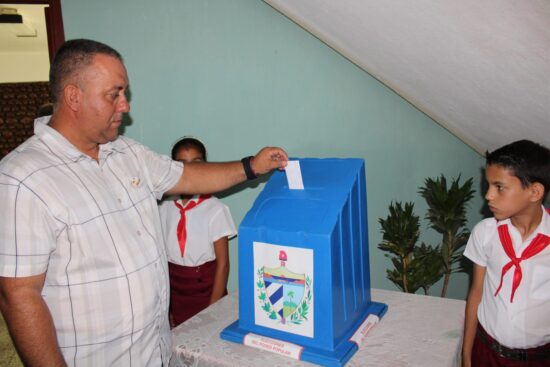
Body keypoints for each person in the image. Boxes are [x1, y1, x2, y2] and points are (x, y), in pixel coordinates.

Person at [0, 39, 287, 367]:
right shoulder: (22, 178)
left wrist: (251, 166)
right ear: (73, 96)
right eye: (114, 94)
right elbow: (19, 296)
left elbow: (190, 177)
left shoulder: (127, 154)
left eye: (125, 93)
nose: (125, 106)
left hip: (156, 355)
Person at [462, 139, 550, 367]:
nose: (489, 195)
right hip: (486, 351)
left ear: (535, 191)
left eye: (499, 187)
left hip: (538, 359)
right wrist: (466, 355)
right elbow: (476, 294)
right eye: (488, 185)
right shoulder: (485, 233)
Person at [158, 136, 237, 327]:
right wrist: (166, 309)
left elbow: (223, 264)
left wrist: (212, 311)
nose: (190, 169)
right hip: (175, 294)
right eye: (182, 164)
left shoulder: (215, 209)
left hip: (208, 294)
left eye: (197, 163)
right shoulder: (164, 208)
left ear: (206, 166)